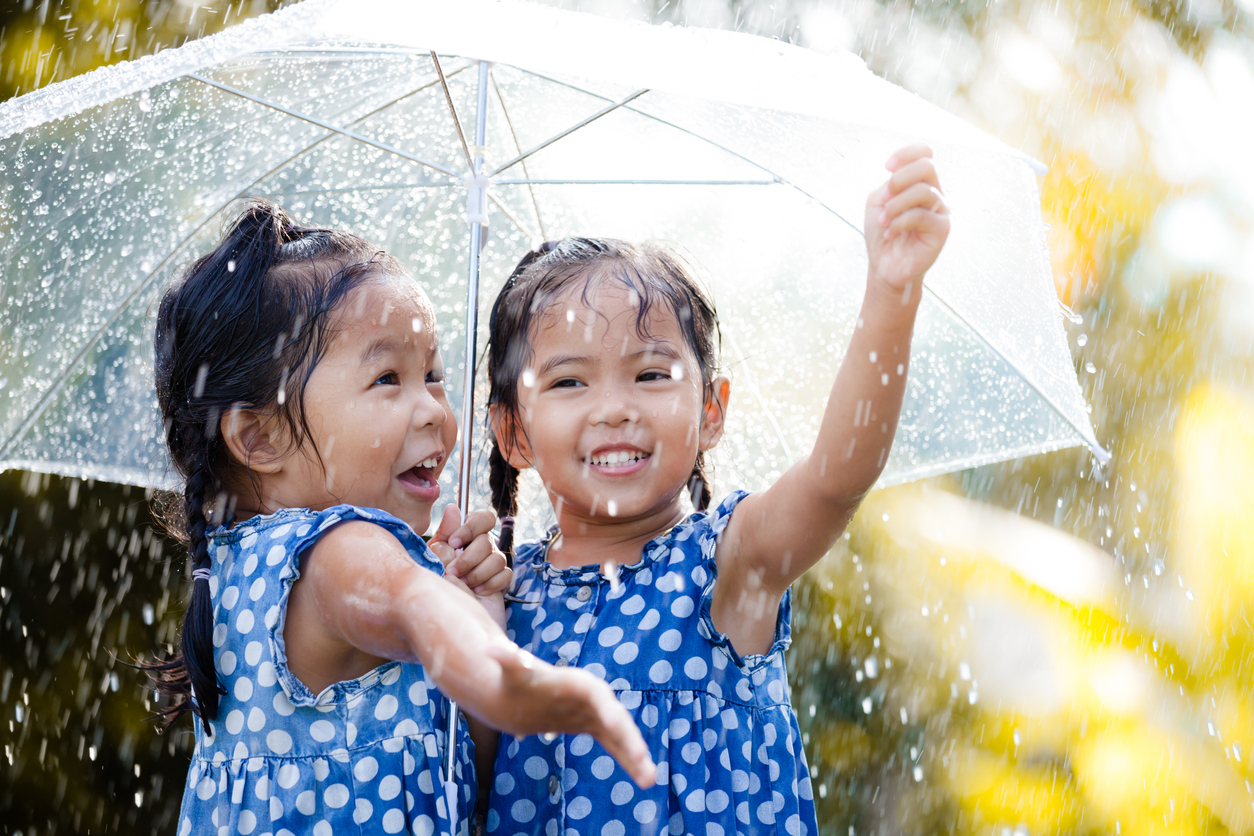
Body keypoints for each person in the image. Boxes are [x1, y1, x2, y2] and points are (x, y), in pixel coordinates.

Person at [144, 202, 655, 836]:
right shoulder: (334, 550)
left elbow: (468, 779)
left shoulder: (243, 567)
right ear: (261, 437)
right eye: (388, 378)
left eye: (434, 374)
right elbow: (413, 603)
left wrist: (478, 609)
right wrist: (516, 676)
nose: (434, 412)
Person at [483, 145, 948, 835]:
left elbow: (835, 478)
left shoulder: (727, 567)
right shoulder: (500, 594)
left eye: (650, 374)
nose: (614, 407)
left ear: (711, 410)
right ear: (513, 432)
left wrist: (892, 291)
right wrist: (471, 602)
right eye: (570, 381)